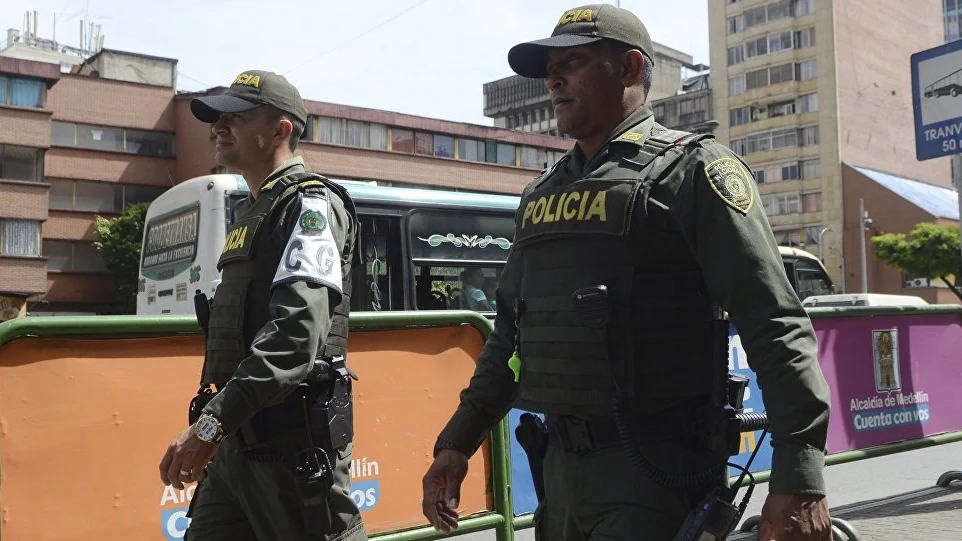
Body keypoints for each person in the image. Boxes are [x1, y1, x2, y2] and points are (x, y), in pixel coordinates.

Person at [421, 5, 833, 541]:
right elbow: (508, 337)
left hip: (653, 474)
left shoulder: (693, 171)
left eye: (574, 61)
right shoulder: (542, 194)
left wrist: (800, 478)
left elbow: (774, 324)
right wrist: (457, 441)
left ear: (631, 68)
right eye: (550, 66)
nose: (553, 79)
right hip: (560, 474)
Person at [158, 70, 367, 541]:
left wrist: (210, 427)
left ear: (281, 129)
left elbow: (294, 339)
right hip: (238, 443)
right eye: (217, 118)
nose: (218, 127)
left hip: (291, 447)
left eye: (237, 116)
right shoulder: (256, 210)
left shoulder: (310, 205)